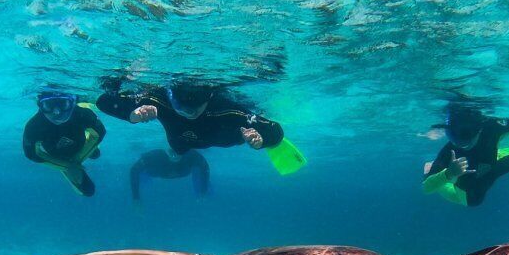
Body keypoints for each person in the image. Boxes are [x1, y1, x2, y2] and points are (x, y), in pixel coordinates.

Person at [96, 53, 305, 175]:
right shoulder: (158, 100)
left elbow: (276, 131)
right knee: (178, 149)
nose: (188, 113)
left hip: (225, 137)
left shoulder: (228, 109)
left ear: (210, 96)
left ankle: (178, 154)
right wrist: (132, 115)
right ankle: (177, 154)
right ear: (171, 96)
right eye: (181, 107)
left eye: (195, 107)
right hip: (179, 141)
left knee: (180, 148)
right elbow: (103, 101)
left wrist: (261, 140)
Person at [22, 89, 106, 196]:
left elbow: (100, 132)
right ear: (40, 105)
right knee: (94, 156)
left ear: (72, 103)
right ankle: (92, 152)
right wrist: (69, 165)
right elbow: (30, 154)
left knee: (96, 154)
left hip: (68, 151)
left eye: (63, 104)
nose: (56, 112)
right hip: (59, 154)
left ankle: (92, 152)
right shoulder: (35, 126)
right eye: (49, 105)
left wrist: (71, 164)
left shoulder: (81, 114)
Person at [130, 148, 209, 201]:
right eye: (172, 151)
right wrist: (136, 199)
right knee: (144, 174)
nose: (175, 155)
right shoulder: (154, 156)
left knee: (198, 168)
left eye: (178, 150)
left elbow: (205, 167)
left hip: (182, 170)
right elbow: (134, 170)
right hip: (152, 171)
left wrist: (203, 191)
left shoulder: (192, 155)